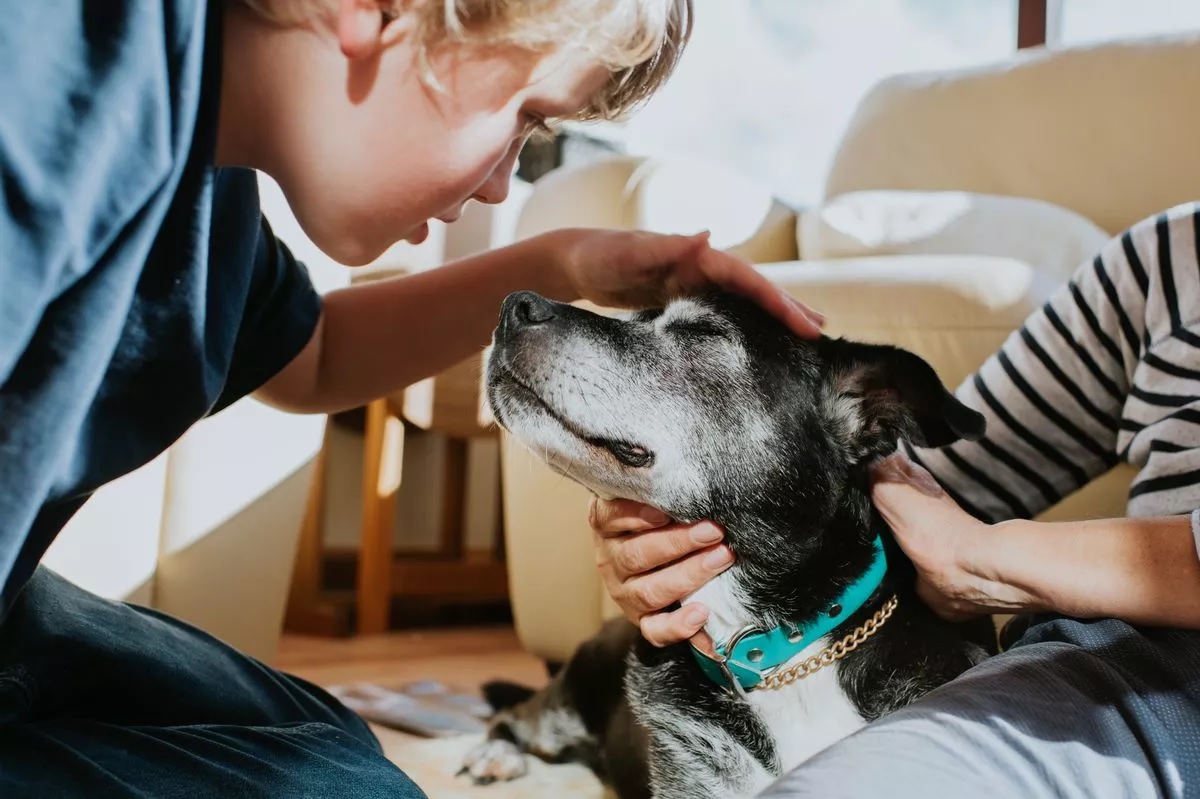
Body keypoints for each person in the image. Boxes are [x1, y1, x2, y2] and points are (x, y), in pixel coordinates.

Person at [0, 1, 827, 796]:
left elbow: (316, 358)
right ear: (377, 7)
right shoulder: (47, 93)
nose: (506, 185)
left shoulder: (210, 201)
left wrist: (568, 263)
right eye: (526, 117)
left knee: (325, 744)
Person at [591, 202, 1200, 797]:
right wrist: (668, 541)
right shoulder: (1165, 259)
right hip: (1118, 677)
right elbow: (928, 478)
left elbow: (959, 547)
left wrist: (985, 558)